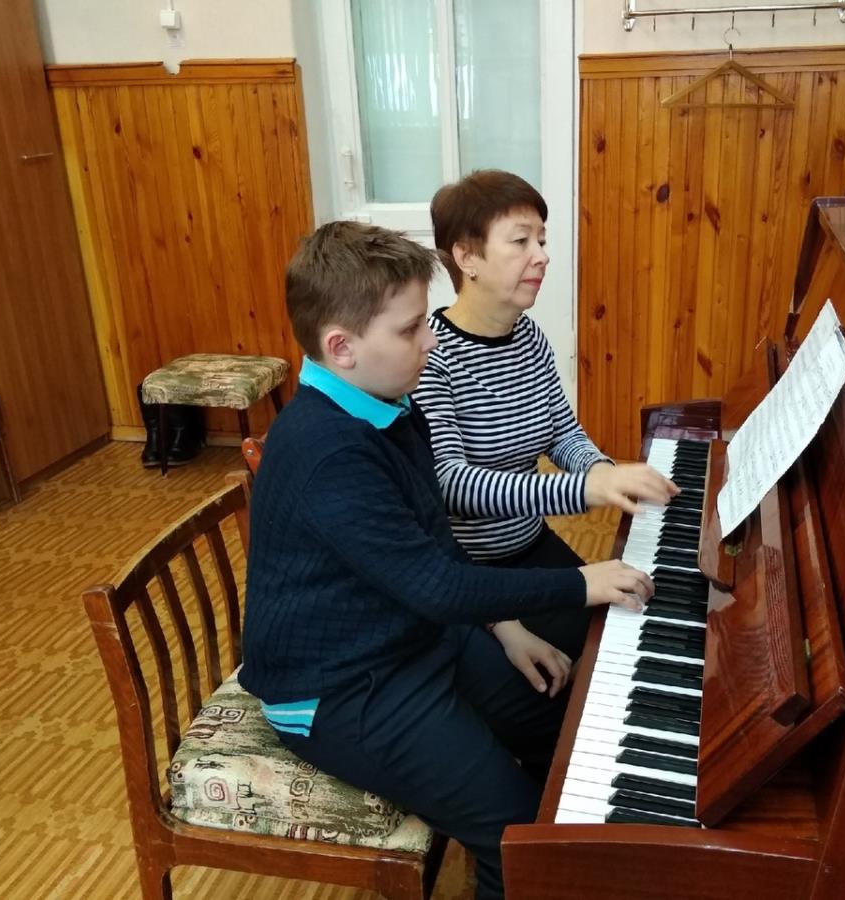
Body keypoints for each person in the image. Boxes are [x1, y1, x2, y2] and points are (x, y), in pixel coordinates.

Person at [238, 220, 654, 900]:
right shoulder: (328, 451)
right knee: (515, 836)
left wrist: (507, 628)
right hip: (339, 688)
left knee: (565, 722)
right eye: (410, 330)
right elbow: (436, 585)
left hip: (410, 639)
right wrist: (583, 582)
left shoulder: (388, 404)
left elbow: (431, 543)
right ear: (341, 347)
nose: (431, 341)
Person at [413, 169, 678, 661]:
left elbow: (560, 432)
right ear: (467, 257)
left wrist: (602, 470)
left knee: (627, 623)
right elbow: (451, 484)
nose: (542, 255)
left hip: (531, 546)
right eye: (521, 241)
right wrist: (583, 489)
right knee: (584, 664)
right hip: (470, 574)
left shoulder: (530, 338)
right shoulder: (432, 355)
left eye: (542, 239)